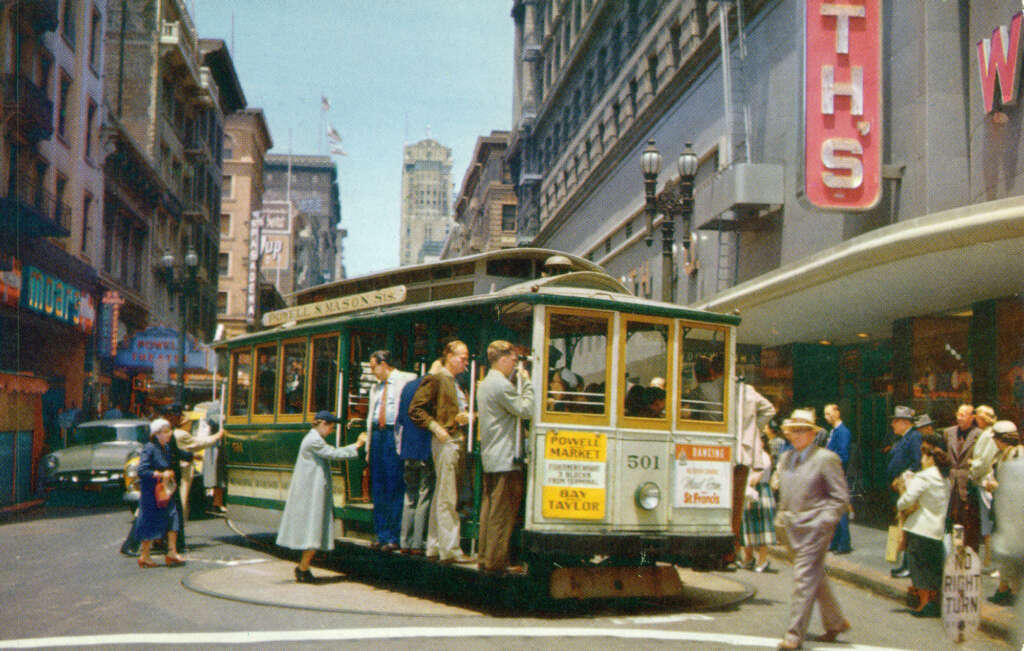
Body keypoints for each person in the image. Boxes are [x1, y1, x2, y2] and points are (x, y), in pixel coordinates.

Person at [774, 409, 850, 650]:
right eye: (792, 431)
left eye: (801, 430)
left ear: (811, 433)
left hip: (814, 529)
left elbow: (840, 498)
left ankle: (794, 634)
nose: (795, 435)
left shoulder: (826, 458)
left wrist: (824, 523)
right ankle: (836, 622)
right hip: (791, 529)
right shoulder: (786, 458)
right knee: (814, 577)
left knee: (803, 579)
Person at [276, 411, 367, 582]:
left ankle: (303, 568)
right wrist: (357, 445)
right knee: (313, 529)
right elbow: (333, 454)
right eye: (331, 427)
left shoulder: (313, 438)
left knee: (314, 530)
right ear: (323, 423)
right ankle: (302, 569)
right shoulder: (314, 440)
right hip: (311, 492)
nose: (331, 431)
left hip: (312, 490)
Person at [409, 340, 472, 564]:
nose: (466, 363)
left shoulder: (452, 381)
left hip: (452, 438)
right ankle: (450, 549)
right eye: (462, 358)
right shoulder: (438, 378)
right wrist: (435, 427)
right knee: (448, 496)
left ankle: (435, 546)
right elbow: (415, 409)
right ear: (449, 355)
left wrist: (462, 417)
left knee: (442, 495)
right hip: (447, 440)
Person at [476, 340, 534, 574]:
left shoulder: (486, 383)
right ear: (502, 359)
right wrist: (528, 383)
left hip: (492, 455)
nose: (515, 364)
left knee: (490, 511)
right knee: (503, 513)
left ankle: (485, 557)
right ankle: (496, 562)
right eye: (513, 359)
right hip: (506, 458)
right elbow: (525, 409)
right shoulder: (501, 385)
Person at [894, 432, 951, 617]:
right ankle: (934, 603)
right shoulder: (945, 478)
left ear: (928, 457)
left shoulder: (924, 476)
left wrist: (900, 501)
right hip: (937, 529)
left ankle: (924, 604)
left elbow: (906, 500)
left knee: (919, 568)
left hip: (920, 528)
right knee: (933, 568)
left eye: (923, 456)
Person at [366, 350, 416, 551]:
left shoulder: (406, 380)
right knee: (378, 486)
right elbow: (371, 416)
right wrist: (369, 447)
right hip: (378, 435)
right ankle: (381, 534)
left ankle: (393, 537)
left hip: (393, 436)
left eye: (373, 367)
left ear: (384, 363)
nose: (372, 372)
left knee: (394, 485)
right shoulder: (375, 388)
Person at [397, 360, 440, 555]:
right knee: (424, 496)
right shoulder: (432, 386)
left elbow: (400, 418)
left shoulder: (408, 387)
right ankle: (417, 543)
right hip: (424, 449)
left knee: (410, 496)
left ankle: (404, 541)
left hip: (408, 449)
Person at [734, 381, 776, 567]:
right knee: (750, 531)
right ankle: (749, 559)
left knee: (761, 533)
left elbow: (756, 476)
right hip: (752, 494)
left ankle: (761, 561)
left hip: (759, 493)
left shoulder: (764, 457)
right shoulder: (748, 391)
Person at [134, 418, 186, 568]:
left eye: (169, 431)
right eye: (165, 431)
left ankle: (172, 552)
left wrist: (168, 473)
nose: (168, 434)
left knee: (173, 516)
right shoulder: (149, 448)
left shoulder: (167, 448)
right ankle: (144, 556)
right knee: (149, 520)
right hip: (151, 492)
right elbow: (142, 470)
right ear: (156, 434)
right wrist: (160, 474)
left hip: (164, 491)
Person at [984, 420, 1022, 606]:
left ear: (1002, 439)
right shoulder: (1003, 454)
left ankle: (1011, 591)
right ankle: (1004, 589)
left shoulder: (1015, 455)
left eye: (996, 438)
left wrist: (995, 486)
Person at [886, 405, 920, 577]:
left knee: (907, 527)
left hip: (906, 488)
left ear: (905, 423)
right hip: (898, 489)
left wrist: (900, 478)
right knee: (901, 526)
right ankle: (903, 562)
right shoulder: (901, 438)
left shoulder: (914, 437)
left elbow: (917, 463)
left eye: (896, 421)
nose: (893, 425)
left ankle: (909, 566)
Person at [944, 403, 982, 553]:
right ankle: (958, 551)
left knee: (970, 522)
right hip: (952, 485)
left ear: (972, 417)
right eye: (958, 414)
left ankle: (971, 553)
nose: (959, 418)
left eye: (963, 415)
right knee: (955, 521)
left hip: (969, 485)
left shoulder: (979, 434)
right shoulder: (949, 432)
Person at [174, 409, 224, 521]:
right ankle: (178, 523)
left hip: (179, 468)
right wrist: (217, 436)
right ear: (185, 424)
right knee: (183, 496)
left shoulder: (175, 433)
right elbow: (199, 443)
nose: (190, 426)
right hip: (183, 470)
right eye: (189, 423)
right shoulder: (181, 434)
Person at [968, 405, 998, 569]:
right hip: (985, 480)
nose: (975, 420)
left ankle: (991, 561)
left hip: (985, 481)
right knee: (988, 523)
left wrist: (972, 469)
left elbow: (984, 461)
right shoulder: (988, 433)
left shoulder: (988, 435)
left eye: (978, 417)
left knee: (988, 523)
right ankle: (989, 560)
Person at [823, 404, 852, 554]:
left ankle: (844, 543)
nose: (826, 417)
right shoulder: (833, 431)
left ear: (837, 412)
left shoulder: (843, 432)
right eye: (825, 414)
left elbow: (843, 456)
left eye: (828, 413)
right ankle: (835, 542)